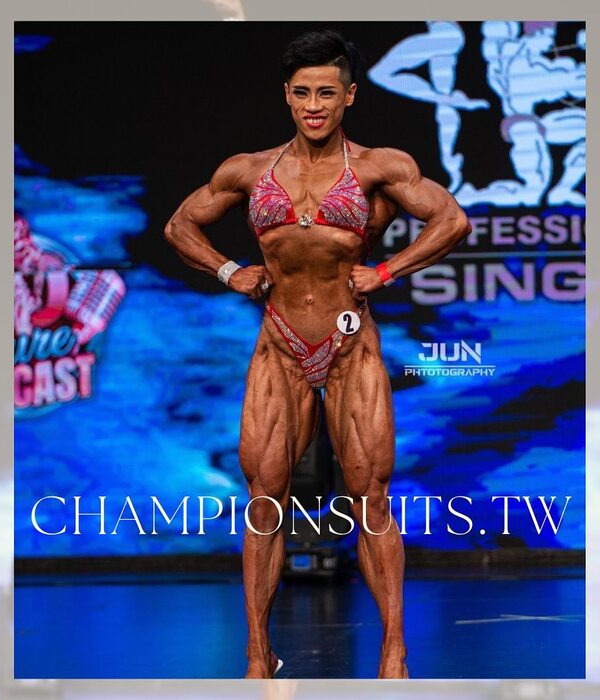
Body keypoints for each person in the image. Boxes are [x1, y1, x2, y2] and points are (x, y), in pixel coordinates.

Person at [164, 30, 472, 679]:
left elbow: (451, 220)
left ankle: (393, 654)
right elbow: (179, 225)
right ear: (287, 94)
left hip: (351, 345)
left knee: (371, 500)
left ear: (348, 96)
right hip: (280, 344)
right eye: (302, 92)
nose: (313, 105)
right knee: (263, 501)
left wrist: (385, 271)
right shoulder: (250, 170)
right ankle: (258, 656)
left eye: (326, 93)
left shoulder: (379, 167)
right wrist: (229, 271)